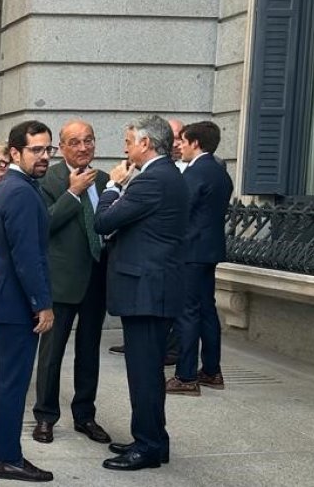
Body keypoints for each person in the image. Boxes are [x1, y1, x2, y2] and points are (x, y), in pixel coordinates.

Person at [94, 115, 189, 471]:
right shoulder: (165, 176)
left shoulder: (152, 180)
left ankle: (148, 446)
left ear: (146, 143)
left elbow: (104, 221)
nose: (125, 147)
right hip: (153, 287)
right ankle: (153, 440)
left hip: (148, 290)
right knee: (146, 370)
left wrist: (112, 187)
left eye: (129, 140)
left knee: (145, 372)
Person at [0, 120, 56, 482]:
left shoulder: (8, 185)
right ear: (14, 153)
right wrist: (42, 303)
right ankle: (8, 457)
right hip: (15, 301)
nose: (43, 156)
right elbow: (28, 256)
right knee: (12, 380)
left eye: (47, 149)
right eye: (35, 150)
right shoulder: (21, 191)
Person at [31, 120, 112, 446]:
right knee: (52, 354)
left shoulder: (106, 180)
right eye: (75, 142)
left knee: (89, 351)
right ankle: (45, 417)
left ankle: (85, 415)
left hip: (96, 279)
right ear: (61, 148)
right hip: (61, 281)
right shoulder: (48, 180)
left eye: (88, 141)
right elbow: (44, 224)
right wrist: (72, 193)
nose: (83, 148)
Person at [168, 121, 234, 396]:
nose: (178, 146)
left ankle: (185, 376)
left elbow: (180, 208)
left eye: (182, 141)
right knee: (207, 309)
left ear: (195, 143)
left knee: (187, 312)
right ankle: (211, 370)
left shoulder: (196, 172)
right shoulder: (220, 172)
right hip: (210, 251)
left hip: (190, 251)